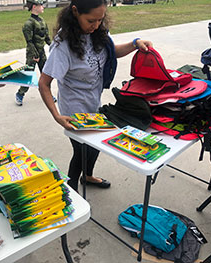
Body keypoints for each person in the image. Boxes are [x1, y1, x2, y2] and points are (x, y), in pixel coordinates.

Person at [38, 0, 153, 191]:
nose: (97, 25)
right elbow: (44, 84)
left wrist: (135, 44)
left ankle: (88, 176)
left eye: (100, 19)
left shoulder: (98, 31)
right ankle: (72, 188)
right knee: (82, 150)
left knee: (95, 146)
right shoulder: (63, 45)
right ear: (75, 12)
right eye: (91, 20)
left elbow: (112, 51)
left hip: (93, 101)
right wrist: (56, 116)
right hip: (74, 109)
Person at [15, 0, 56, 106]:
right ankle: (20, 94)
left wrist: (54, 47)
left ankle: (48, 95)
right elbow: (29, 42)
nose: (43, 7)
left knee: (46, 75)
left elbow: (46, 37)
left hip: (41, 52)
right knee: (28, 75)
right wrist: (35, 55)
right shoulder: (28, 24)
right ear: (34, 7)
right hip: (32, 54)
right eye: (40, 5)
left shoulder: (42, 21)